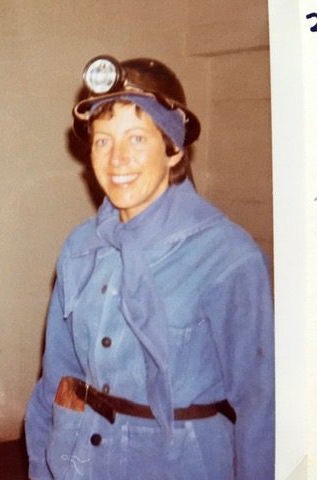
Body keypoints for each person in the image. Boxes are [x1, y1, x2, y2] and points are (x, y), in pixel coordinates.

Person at [25, 55, 274, 479]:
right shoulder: (81, 246)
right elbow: (57, 380)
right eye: (103, 141)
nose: (117, 159)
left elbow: (261, 404)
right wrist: (42, 467)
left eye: (137, 138)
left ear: (173, 149)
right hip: (80, 461)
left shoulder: (228, 256)